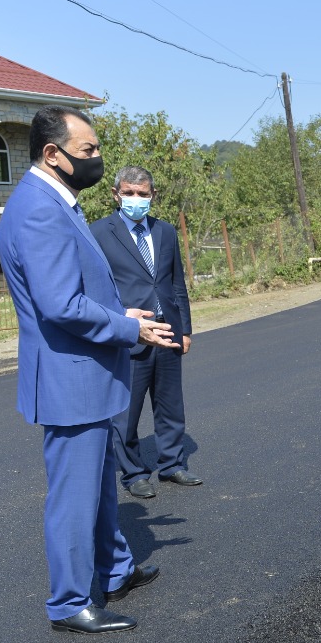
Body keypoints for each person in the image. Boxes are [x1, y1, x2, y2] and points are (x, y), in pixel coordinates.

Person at [0, 106, 176, 635]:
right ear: (53, 154)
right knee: (74, 499)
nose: (98, 159)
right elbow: (60, 305)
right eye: (89, 151)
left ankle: (114, 570)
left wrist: (122, 313)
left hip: (86, 376)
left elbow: (77, 290)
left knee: (99, 488)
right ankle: (69, 603)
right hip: (69, 378)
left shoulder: (57, 201)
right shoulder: (38, 210)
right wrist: (129, 329)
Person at [91, 167, 200, 498]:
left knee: (170, 405)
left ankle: (173, 465)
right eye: (129, 193)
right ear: (116, 194)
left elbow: (175, 283)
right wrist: (118, 322)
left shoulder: (165, 232)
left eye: (143, 193)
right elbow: (96, 287)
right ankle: (134, 472)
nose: (136, 199)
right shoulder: (98, 233)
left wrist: (184, 330)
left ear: (153, 196)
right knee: (127, 411)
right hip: (130, 333)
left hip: (167, 332)